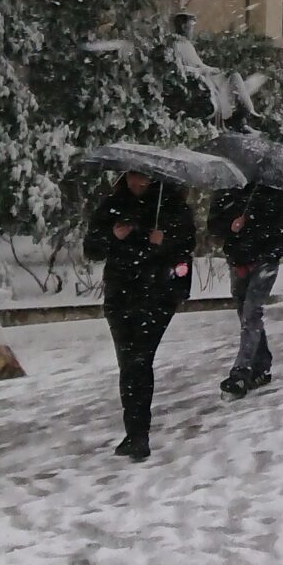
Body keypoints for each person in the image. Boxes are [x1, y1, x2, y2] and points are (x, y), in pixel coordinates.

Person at [86, 169, 196, 461]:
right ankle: (133, 431)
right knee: (128, 362)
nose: (139, 183)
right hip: (121, 294)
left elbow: (187, 245)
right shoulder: (113, 205)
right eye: (134, 176)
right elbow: (91, 248)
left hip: (157, 294)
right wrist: (112, 235)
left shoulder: (170, 204)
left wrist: (165, 241)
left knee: (140, 359)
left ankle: (139, 434)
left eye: (145, 178)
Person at [207, 179, 283, 398]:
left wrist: (270, 252)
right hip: (238, 261)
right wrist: (231, 225)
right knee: (246, 314)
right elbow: (213, 225)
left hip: (263, 261)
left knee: (251, 313)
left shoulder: (273, 192)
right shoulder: (227, 190)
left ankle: (241, 372)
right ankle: (262, 364)